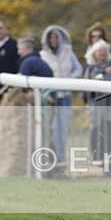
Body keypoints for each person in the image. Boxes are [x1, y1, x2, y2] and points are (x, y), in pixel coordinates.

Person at [40, 25, 82, 164]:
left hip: (65, 96)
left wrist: (68, 80)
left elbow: (78, 69)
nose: (54, 40)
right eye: (51, 38)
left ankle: (61, 159)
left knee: (62, 128)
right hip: (50, 97)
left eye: (56, 37)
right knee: (50, 128)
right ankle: (50, 159)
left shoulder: (68, 52)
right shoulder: (43, 55)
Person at [84, 39, 111, 166]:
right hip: (97, 109)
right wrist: (103, 72)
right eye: (99, 51)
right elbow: (87, 88)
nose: (102, 53)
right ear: (94, 53)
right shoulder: (91, 68)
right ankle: (100, 161)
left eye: (104, 50)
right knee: (97, 135)